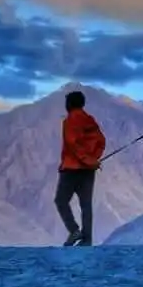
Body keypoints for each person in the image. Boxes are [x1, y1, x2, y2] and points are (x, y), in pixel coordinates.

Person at [55, 90, 106, 247]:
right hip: (88, 171)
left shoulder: (70, 120)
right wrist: (93, 160)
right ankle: (87, 240)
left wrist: (85, 160)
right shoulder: (90, 120)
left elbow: (72, 144)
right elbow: (101, 141)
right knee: (86, 205)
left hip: (71, 169)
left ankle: (74, 230)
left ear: (70, 104)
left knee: (61, 201)